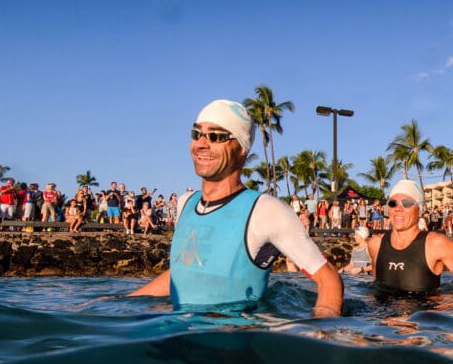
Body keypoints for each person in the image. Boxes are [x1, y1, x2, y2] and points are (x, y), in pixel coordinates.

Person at [129, 99, 343, 316]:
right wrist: (118, 304)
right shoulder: (185, 203)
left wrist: (325, 328)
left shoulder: (265, 210)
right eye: (197, 133)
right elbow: (185, 273)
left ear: (241, 149)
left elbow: (328, 278)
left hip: (235, 340)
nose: (201, 143)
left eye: (216, 136)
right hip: (179, 333)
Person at [367, 179, 453, 295]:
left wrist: (447, 306)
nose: (398, 208)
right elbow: (377, 288)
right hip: (382, 312)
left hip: (423, 310)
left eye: (406, 203)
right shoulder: (375, 244)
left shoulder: (437, 244)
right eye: (393, 203)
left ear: (419, 210)